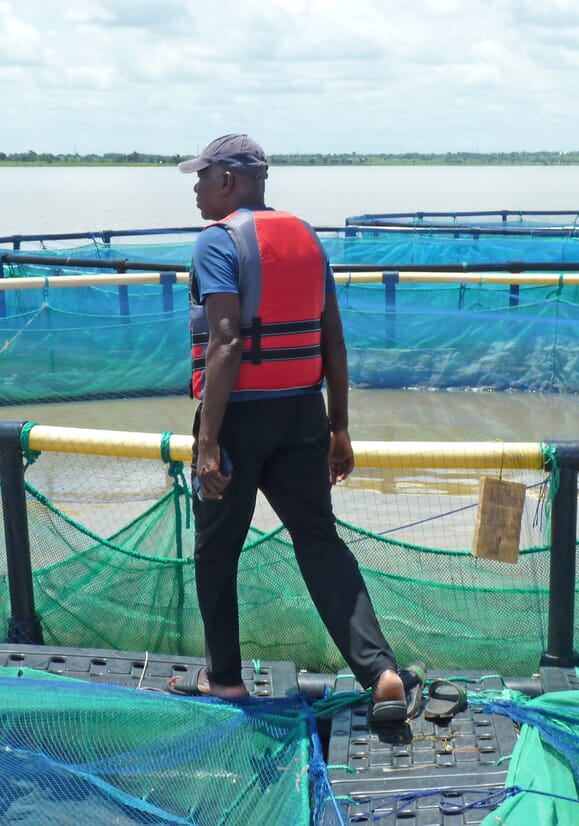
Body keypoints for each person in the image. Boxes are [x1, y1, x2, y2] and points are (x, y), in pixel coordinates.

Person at [169, 133, 421, 724]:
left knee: (217, 550)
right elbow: (332, 338)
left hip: (237, 419)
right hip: (304, 412)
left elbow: (227, 342)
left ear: (228, 180)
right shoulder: (307, 237)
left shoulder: (216, 243)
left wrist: (209, 444)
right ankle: (382, 673)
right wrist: (340, 428)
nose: (197, 189)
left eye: (201, 177)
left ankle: (225, 680)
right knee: (319, 542)